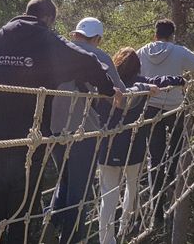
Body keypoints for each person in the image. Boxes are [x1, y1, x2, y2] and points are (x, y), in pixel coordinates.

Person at [0, 0, 121, 244]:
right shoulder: (49, 41)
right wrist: (107, 89)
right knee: (23, 220)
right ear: (49, 19)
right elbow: (90, 63)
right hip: (29, 144)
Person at [48, 17, 127, 243]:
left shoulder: (58, 51)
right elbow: (120, 94)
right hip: (85, 130)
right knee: (79, 191)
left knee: (64, 180)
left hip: (54, 128)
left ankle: (51, 221)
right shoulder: (99, 56)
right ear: (97, 38)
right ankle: (70, 238)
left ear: (76, 33)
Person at [135, 19, 194, 224]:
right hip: (174, 108)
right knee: (175, 147)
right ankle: (172, 176)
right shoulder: (179, 51)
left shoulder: (141, 52)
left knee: (154, 158)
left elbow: (133, 75)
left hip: (150, 109)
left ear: (155, 34)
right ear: (171, 35)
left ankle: (156, 210)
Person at [96, 48, 184, 244]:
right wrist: (179, 80)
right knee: (132, 186)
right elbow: (161, 81)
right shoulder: (142, 85)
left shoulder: (106, 85)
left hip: (107, 147)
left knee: (107, 197)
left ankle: (106, 240)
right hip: (133, 148)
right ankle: (125, 225)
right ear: (138, 67)